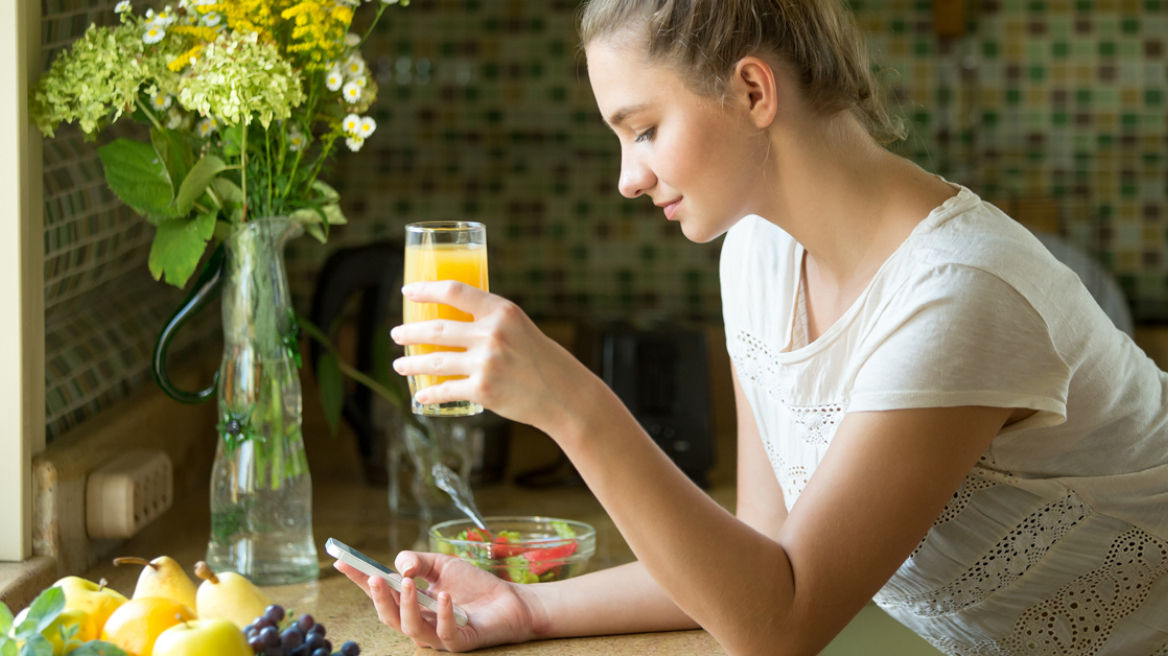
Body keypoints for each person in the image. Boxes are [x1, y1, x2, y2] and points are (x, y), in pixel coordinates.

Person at [335, 1, 1168, 654]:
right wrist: (523, 608)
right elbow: (758, 556)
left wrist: (570, 404)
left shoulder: (957, 293)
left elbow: (780, 624)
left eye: (645, 129)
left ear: (753, 90)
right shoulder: (758, 255)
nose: (628, 178)